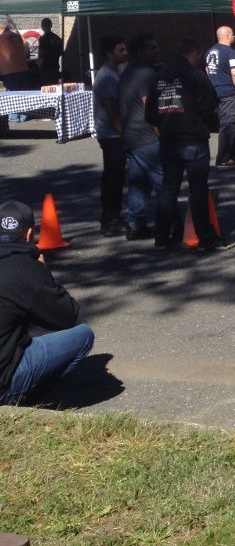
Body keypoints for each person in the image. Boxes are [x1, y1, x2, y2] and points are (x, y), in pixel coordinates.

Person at [0, 200, 95, 405]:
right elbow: (69, 316)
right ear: (29, 234)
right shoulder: (26, 269)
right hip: (3, 385)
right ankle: (23, 401)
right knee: (83, 336)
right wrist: (43, 272)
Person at [146, 37, 232, 252]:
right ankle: (206, 237)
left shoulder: (158, 77)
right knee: (198, 189)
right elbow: (209, 104)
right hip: (193, 138)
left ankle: (162, 235)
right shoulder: (194, 76)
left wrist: (163, 126)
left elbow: (150, 113)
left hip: (168, 139)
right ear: (194, 54)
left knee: (169, 188)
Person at [118, 33, 162, 241]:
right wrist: (160, 132)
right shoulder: (145, 73)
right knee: (163, 182)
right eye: (151, 48)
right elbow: (149, 106)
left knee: (138, 182)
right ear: (139, 52)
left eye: (155, 47)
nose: (156, 51)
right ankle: (171, 224)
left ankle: (136, 223)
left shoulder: (128, 71)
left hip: (131, 134)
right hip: (146, 137)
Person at [92, 34, 129, 236]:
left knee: (117, 175)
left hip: (114, 133)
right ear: (109, 54)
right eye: (120, 50)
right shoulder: (106, 77)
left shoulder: (117, 72)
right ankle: (110, 218)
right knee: (113, 177)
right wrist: (124, 134)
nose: (125, 53)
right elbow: (112, 111)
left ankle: (113, 215)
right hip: (111, 134)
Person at [205, 26, 235, 167]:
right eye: (232, 34)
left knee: (225, 122)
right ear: (227, 35)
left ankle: (233, 154)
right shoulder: (230, 52)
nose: (234, 36)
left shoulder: (210, 51)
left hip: (215, 91)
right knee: (229, 124)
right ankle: (222, 159)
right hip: (228, 92)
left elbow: (208, 69)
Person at [0, 16, 35, 91]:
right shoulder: (17, 36)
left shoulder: (1, 39)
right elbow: (26, 53)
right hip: (24, 71)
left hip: (10, 73)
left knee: (12, 97)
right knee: (25, 96)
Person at [36, 18, 63, 86]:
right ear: (51, 25)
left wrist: (38, 66)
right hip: (55, 66)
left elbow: (42, 55)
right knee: (55, 86)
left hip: (46, 68)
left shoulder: (43, 39)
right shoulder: (57, 38)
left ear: (42, 26)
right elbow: (61, 52)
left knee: (47, 88)